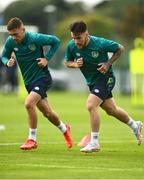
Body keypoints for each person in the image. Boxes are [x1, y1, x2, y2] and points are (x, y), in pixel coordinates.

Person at [64, 21, 143, 153]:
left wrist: (108, 63)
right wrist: (75, 64)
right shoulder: (71, 46)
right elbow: (67, 62)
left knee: (90, 105)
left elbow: (120, 48)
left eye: (79, 38)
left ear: (86, 34)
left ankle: (94, 142)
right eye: (73, 38)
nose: (76, 41)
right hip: (93, 82)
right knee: (111, 110)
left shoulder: (100, 43)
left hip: (106, 78)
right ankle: (135, 125)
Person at [1, 17, 73, 150]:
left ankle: (32, 139)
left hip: (42, 78)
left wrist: (47, 59)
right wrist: (7, 62)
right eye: (11, 34)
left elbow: (56, 41)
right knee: (48, 113)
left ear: (23, 30)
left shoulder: (35, 38)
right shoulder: (11, 41)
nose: (13, 37)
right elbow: (4, 55)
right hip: (29, 82)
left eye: (16, 34)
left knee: (29, 103)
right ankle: (64, 129)